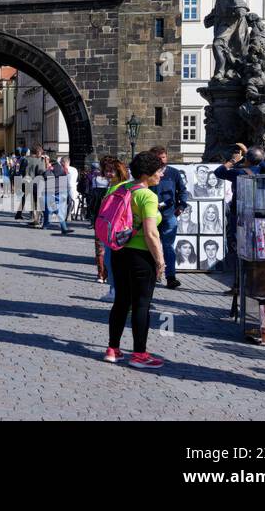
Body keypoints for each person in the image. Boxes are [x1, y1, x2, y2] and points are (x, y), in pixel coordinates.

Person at [102, 150, 168, 369]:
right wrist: (160, 261)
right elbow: (151, 233)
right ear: (148, 174)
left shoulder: (120, 188)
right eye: (159, 171)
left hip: (119, 253)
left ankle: (113, 349)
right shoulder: (148, 196)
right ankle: (139, 354)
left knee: (121, 301)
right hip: (141, 256)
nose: (161, 175)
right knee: (141, 304)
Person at [214, 145, 265, 289]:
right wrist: (249, 154)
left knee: (239, 249)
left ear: (247, 160)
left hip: (238, 215)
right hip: (257, 213)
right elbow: (263, 163)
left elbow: (218, 172)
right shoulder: (263, 171)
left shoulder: (239, 173)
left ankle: (238, 284)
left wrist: (233, 160)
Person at [150, 147, 188, 289]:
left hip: (168, 215)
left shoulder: (173, 173)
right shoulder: (147, 173)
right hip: (151, 216)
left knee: (168, 247)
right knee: (151, 246)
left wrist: (182, 206)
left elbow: (183, 191)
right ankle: (154, 274)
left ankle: (171, 277)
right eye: (158, 158)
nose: (161, 160)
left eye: (163, 157)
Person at [96, 156, 127, 298]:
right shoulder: (112, 185)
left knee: (111, 261)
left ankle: (115, 290)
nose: (109, 174)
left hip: (115, 231)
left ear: (119, 172)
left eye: (112, 171)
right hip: (109, 229)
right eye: (107, 171)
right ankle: (113, 289)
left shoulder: (121, 186)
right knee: (109, 261)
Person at [42, 154, 71, 234]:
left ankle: (46, 225)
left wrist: (47, 167)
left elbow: (46, 176)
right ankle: (62, 227)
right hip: (59, 191)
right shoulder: (60, 168)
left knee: (49, 209)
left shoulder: (54, 167)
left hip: (53, 191)